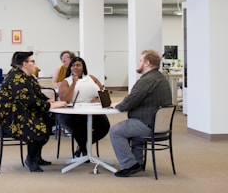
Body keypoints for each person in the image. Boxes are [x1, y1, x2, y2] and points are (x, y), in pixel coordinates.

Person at [0, 51, 67, 173]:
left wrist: (48, 100)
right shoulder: (16, 78)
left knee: (49, 120)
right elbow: (28, 101)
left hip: (21, 112)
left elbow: (37, 94)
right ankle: (30, 159)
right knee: (39, 128)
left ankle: (36, 157)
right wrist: (50, 105)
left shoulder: (26, 76)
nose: (34, 64)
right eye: (32, 62)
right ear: (25, 64)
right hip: (12, 119)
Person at [109, 49, 172, 177]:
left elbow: (130, 103)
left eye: (140, 60)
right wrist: (125, 101)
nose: (138, 63)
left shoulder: (147, 80)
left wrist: (118, 105)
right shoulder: (159, 78)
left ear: (147, 63)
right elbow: (136, 98)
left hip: (147, 124)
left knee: (116, 131)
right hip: (158, 124)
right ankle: (138, 162)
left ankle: (129, 165)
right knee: (130, 126)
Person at [57, 57, 110, 158]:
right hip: (72, 113)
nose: (75, 67)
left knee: (104, 127)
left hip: (92, 110)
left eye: (78, 65)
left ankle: (82, 147)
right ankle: (85, 150)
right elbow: (65, 100)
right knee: (79, 127)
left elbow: (104, 95)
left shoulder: (92, 78)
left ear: (83, 67)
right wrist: (73, 84)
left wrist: (97, 99)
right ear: (70, 68)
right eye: (73, 65)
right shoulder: (66, 81)